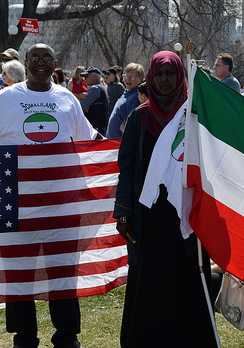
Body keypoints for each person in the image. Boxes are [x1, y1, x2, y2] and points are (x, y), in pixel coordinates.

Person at [0, 43, 96, 348]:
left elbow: (90, 141)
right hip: (14, 203)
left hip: (60, 204)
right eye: (34, 58)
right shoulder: (3, 100)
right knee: (18, 272)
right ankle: (24, 335)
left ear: (55, 63)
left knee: (62, 269)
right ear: (25, 63)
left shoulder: (67, 99)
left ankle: (67, 334)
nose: (40, 63)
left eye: (46, 59)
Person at [114, 51, 218, 347]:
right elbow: (127, 166)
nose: (164, 80)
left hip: (188, 213)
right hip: (149, 216)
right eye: (159, 74)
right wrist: (122, 211)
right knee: (150, 279)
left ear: (180, 76)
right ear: (151, 77)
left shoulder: (194, 115)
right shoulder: (139, 117)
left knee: (189, 277)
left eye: (169, 73)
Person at [106, 63, 145, 139]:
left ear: (140, 79)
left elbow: (130, 128)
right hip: (112, 144)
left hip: (119, 145)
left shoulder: (136, 97)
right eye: (126, 76)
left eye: (131, 77)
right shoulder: (127, 92)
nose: (127, 79)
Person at [80, 67, 109, 136]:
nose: (84, 79)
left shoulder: (95, 88)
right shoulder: (101, 87)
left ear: (95, 77)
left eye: (87, 76)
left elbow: (81, 106)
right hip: (101, 126)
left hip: (97, 128)